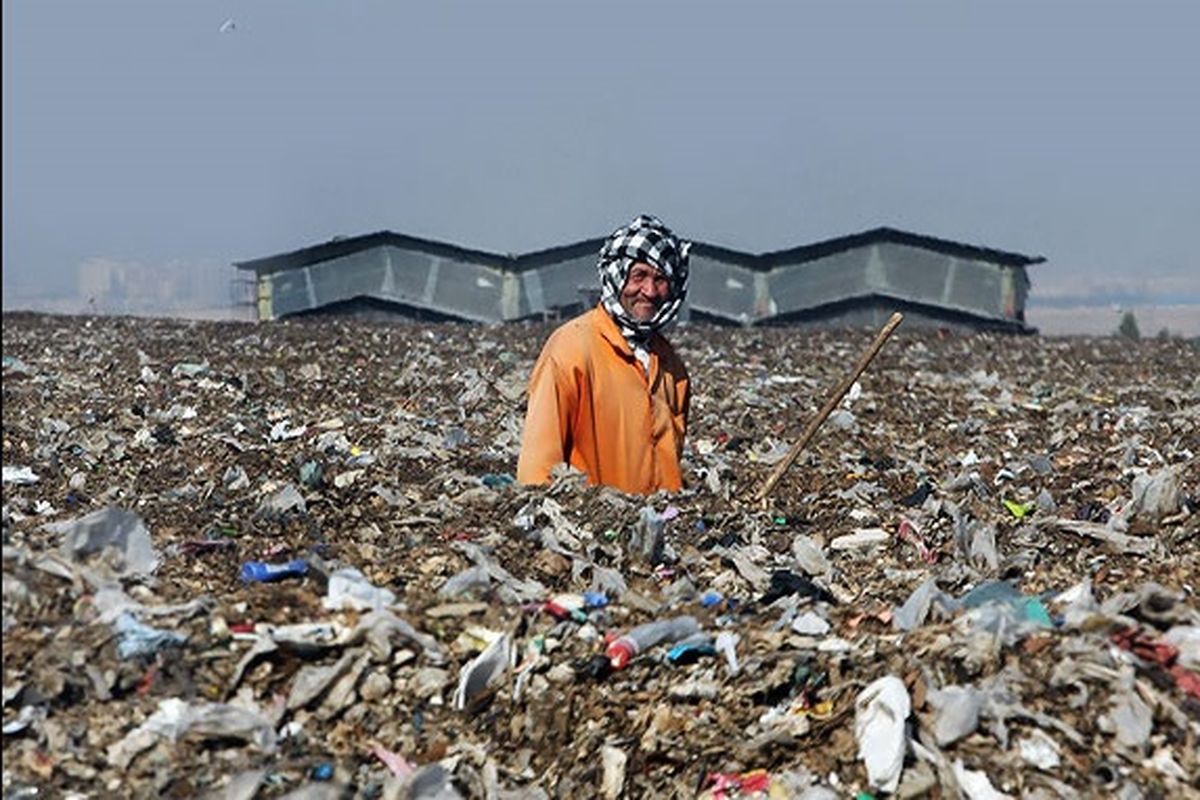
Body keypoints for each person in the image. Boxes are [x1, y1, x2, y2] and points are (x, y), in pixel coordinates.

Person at [517, 214, 692, 494]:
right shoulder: (572, 347)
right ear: (617, 276)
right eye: (639, 276)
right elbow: (538, 464)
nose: (649, 291)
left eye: (660, 279)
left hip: (657, 528)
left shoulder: (671, 366)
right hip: (592, 527)